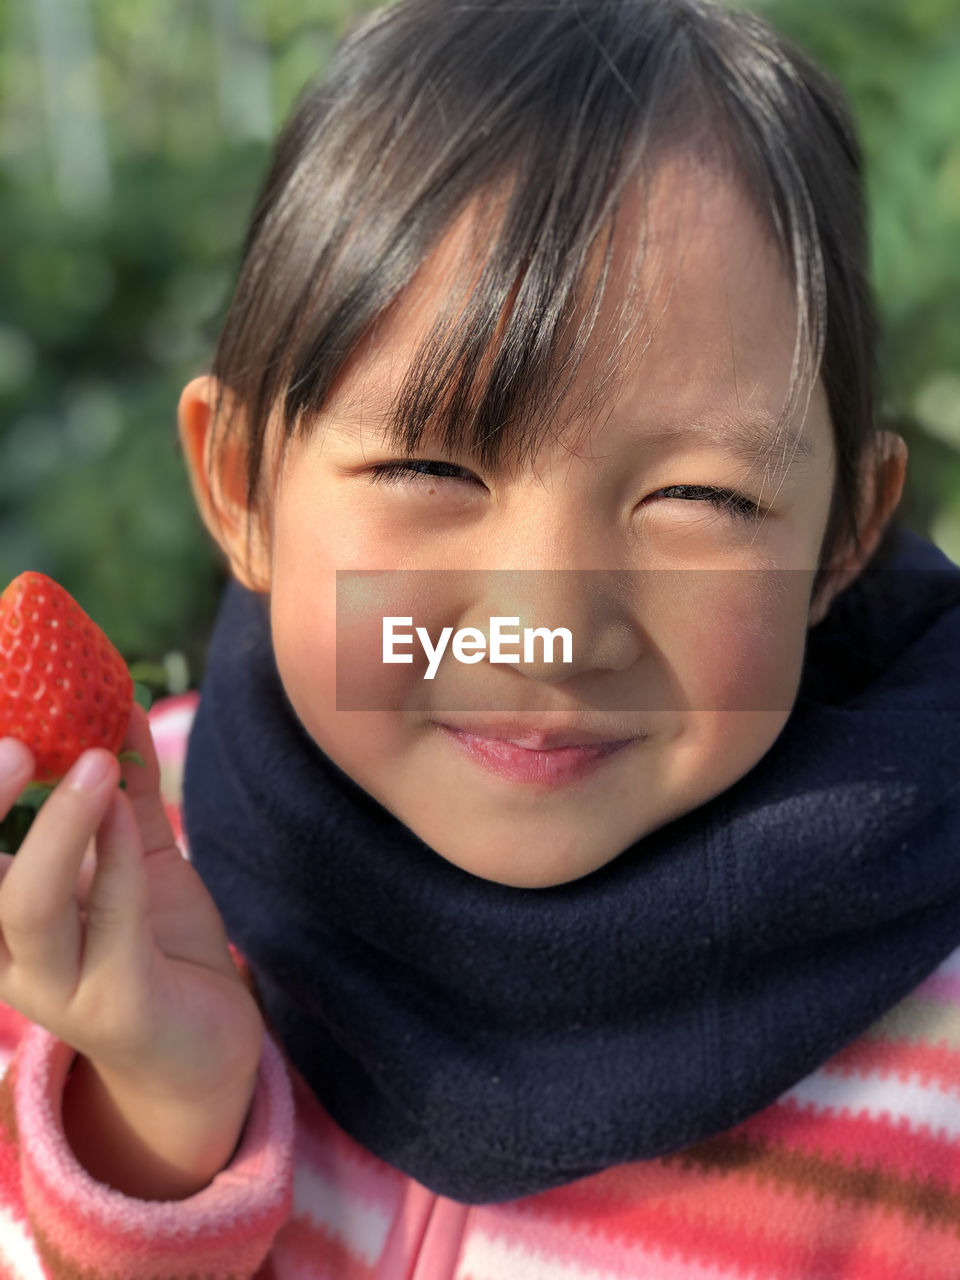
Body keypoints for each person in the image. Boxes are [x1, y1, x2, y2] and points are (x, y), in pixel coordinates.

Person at [1, 0, 959, 1274]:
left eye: (700, 499)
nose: (545, 631)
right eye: (431, 467)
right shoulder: (103, 888)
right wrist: (153, 1121)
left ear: (842, 537)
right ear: (239, 483)